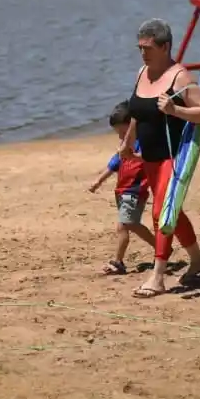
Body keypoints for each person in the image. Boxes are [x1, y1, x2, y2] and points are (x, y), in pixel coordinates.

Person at [123, 18, 200, 298]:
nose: (143, 53)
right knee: (171, 208)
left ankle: (158, 275)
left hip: (172, 156)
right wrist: (127, 142)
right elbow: (137, 112)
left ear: (165, 46)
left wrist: (176, 111)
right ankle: (197, 260)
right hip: (148, 156)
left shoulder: (180, 77)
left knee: (162, 210)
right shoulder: (142, 73)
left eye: (148, 47)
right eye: (140, 47)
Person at [88, 101, 154, 276]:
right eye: (117, 132)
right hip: (122, 191)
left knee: (129, 223)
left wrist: (133, 154)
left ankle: (119, 262)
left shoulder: (142, 143)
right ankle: (121, 262)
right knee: (123, 227)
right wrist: (98, 181)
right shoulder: (123, 147)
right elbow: (113, 165)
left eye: (123, 132)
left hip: (135, 191)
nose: (120, 136)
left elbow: (150, 160)